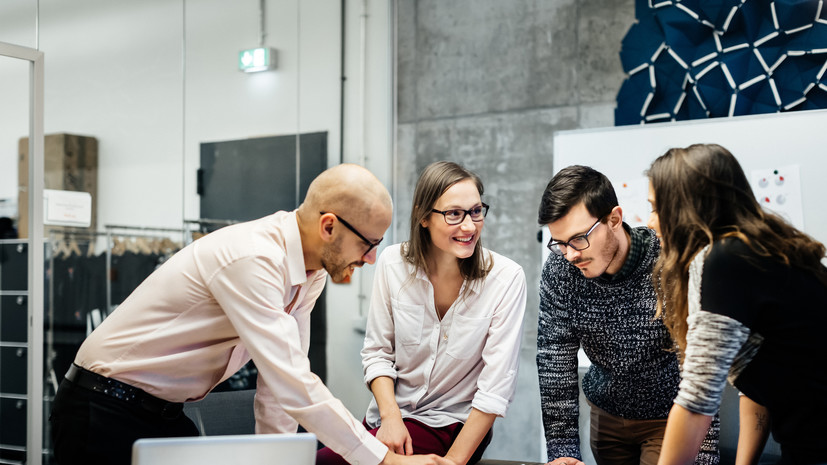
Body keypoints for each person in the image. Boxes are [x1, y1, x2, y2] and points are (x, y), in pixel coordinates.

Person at [49, 163, 452, 465]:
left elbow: (279, 388)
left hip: (163, 412)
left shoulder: (310, 275)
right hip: (101, 406)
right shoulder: (254, 258)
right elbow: (293, 381)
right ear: (328, 226)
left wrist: (273, 459)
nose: (371, 258)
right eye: (368, 243)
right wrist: (385, 459)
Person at [317, 161, 527, 465]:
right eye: (454, 214)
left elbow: (495, 388)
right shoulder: (392, 263)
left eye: (476, 211)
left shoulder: (506, 279)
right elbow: (377, 353)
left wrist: (454, 461)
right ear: (423, 216)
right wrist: (390, 419)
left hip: (452, 425)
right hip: (388, 420)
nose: (469, 226)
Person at [646, 144, 827, 465]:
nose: (651, 223)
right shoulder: (762, 250)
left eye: (656, 209)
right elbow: (767, 367)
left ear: (684, 210)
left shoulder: (724, 259)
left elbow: (695, 403)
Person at [537, 165, 718, 465]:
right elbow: (554, 358)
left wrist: (704, 452)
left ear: (614, 219)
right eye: (560, 243)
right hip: (606, 417)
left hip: (669, 419)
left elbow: (699, 364)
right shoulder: (560, 270)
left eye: (579, 239)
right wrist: (563, 451)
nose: (570, 254)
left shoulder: (669, 262)